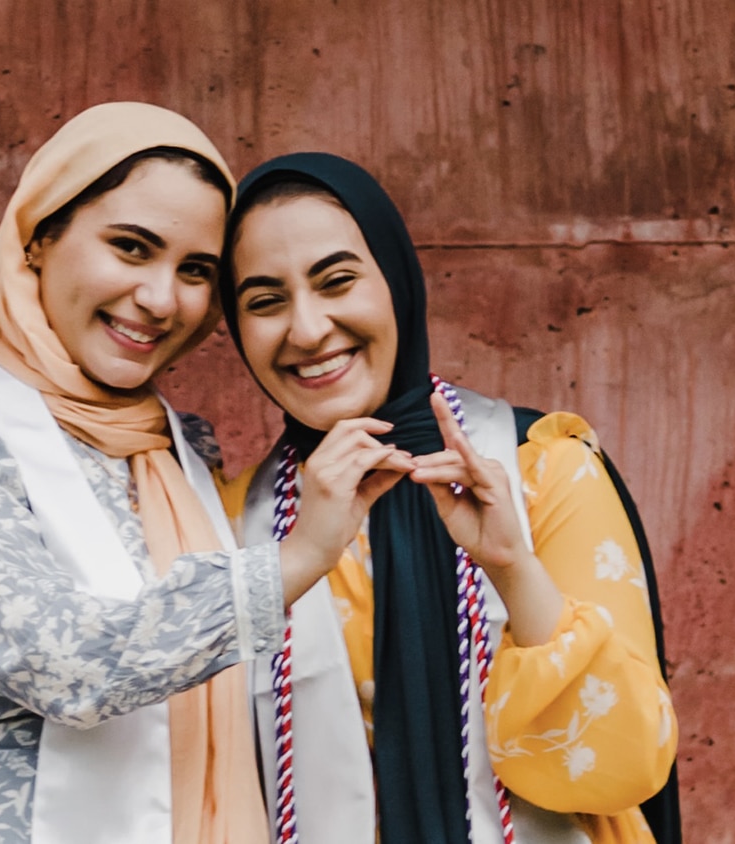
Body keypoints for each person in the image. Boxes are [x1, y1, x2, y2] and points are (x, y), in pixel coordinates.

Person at [0, 107, 410, 844]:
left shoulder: (173, 456)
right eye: (131, 248)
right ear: (40, 237)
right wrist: (297, 558)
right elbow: (68, 666)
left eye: (196, 271)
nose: (161, 298)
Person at [217, 153, 680, 844]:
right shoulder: (233, 524)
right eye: (265, 300)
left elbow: (621, 768)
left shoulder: (540, 471)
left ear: (398, 283)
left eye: (337, 281)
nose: (308, 329)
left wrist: (515, 570)